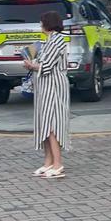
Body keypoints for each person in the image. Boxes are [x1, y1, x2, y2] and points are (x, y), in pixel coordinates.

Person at [23, 11, 70, 179]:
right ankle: (48, 161)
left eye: (42, 22)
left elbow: (47, 66)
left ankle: (58, 164)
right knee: (44, 123)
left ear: (47, 23)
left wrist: (31, 65)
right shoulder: (49, 41)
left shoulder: (56, 41)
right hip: (45, 87)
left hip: (53, 87)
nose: (40, 25)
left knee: (52, 125)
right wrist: (33, 64)